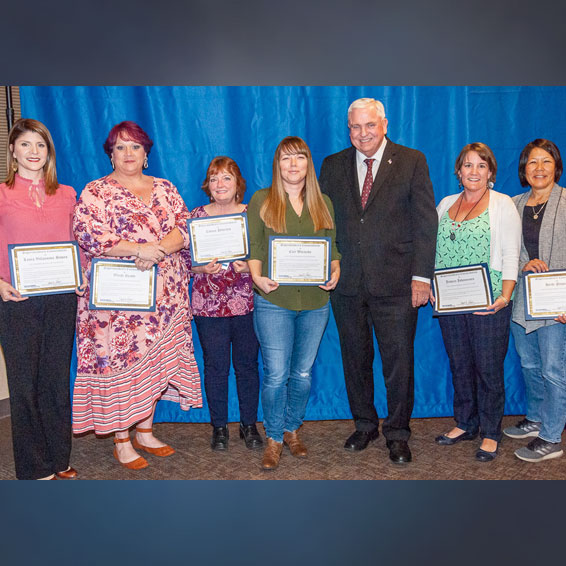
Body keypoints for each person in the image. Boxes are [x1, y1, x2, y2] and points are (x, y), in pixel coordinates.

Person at [72, 121, 202, 470]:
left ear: (146, 154)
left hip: (167, 298)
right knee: (122, 364)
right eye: (120, 147)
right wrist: (141, 250)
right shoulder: (95, 192)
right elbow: (88, 233)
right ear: (110, 154)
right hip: (119, 303)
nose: (128, 153)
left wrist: (157, 249)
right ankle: (121, 439)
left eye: (135, 147)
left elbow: (184, 226)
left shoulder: (165, 187)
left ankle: (145, 431)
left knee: (156, 366)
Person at [319, 97, 437, 464]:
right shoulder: (332, 165)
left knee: (398, 361)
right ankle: (365, 424)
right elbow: (323, 224)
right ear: (348, 129)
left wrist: (421, 277)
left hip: (397, 284)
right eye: (355, 126)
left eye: (370, 125)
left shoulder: (411, 160)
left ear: (384, 124)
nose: (362, 133)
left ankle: (398, 433)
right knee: (355, 359)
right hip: (347, 284)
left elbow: (425, 222)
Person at [247, 136, 341, 470]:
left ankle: (291, 429)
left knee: (301, 374)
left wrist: (335, 270)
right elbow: (254, 247)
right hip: (274, 300)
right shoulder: (262, 199)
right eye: (286, 159)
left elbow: (332, 247)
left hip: (316, 301)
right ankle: (273, 437)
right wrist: (257, 278)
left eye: (299, 158)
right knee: (275, 375)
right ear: (277, 164)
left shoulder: (323, 202)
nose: (293, 165)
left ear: (307, 163)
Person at [0, 118, 79, 480]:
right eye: (26, 145)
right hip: (16, 299)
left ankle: (58, 458)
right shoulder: (1, 194)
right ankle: (34, 468)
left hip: (62, 298)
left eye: (41, 145)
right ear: (12, 151)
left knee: (55, 378)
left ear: (49, 153)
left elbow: (76, 243)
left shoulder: (67, 193)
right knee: (24, 383)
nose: (34, 152)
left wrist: (80, 276)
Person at [434, 142, 521, 461]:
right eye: (468, 165)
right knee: (460, 365)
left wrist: (505, 297)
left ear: (491, 173)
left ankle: (490, 431)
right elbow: (434, 251)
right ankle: (466, 422)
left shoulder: (502, 205)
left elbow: (512, 253)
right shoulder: (444, 204)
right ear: (458, 172)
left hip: (490, 301)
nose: (474, 171)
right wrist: (432, 285)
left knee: (488, 368)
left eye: (481, 165)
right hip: (450, 303)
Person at [189, 156, 262, 451]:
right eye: (215, 178)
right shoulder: (196, 216)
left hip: (247, 304)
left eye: (227, 178)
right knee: (216, 367)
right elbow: (185, 263)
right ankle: (219, 427)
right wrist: (200, 269)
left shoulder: (251, 215)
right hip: (209, 307)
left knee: (247, 366)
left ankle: (249, 425)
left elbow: (264, 256)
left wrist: (251, 267)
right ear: (208, 185)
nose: (220, 184)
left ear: (237, 184)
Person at [503, 139, 566, 462]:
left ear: (557, 166)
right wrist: (521, 265)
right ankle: (537, 418)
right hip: (521, 302)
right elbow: (502, 252)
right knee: (530, 364)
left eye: (545, 162)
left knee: (554, 369)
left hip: (557, 306)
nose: (539, 169)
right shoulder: (512, 205)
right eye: (532, 163)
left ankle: (552, 436)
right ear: (523, 170)